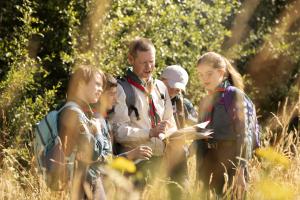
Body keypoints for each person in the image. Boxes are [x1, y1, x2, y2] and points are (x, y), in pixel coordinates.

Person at [111, 37, 177, 185]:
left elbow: (170, 122)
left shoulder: (160, 86)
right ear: (131, 59)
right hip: (135, 164)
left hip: (160, 162)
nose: (149, 67)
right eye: (144, 62)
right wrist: (149, 133)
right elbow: (118, 131)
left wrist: (174, 135)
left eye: (152, 61)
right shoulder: (121, 88)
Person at [195, 52, 249, 198]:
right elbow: (200, 137)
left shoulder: (233, 95)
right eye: (200, 75)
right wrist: (199, 171)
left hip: (231, 161)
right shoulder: (204, 101)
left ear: (221, 72)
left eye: (209, 74)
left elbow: (245, 134)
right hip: (209, 162)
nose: (204, 79)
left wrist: (240, 171)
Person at [58, 64, 106, 199]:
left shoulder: (66, 108)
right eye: (97, 84)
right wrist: (97, 132)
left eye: (101, 86)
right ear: (80, 84)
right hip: (78, 186)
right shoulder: (75, 113)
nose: (101, 89)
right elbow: (93, 153)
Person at [160, 65, 198, 199]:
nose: (174, 91)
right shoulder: (148, 99)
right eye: (171, 86)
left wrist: (189, 151)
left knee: (180, 193)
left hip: (178, 160)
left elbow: (200, 129)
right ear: (162, 80)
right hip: (155, 157)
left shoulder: (184, 104)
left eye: (178, 88)